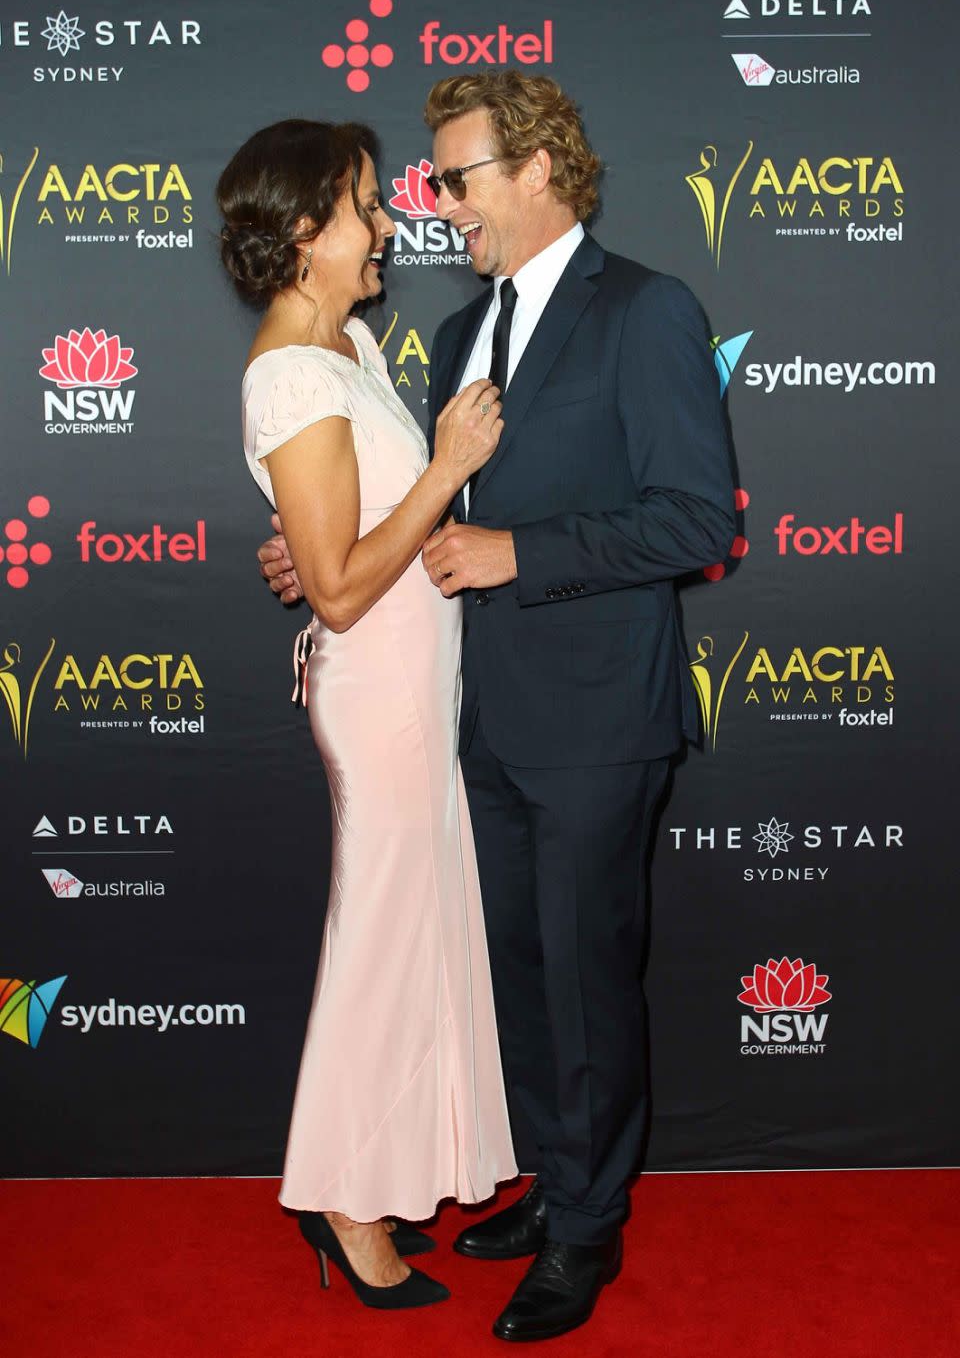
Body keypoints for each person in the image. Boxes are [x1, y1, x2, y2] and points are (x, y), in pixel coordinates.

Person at [259, 74, 736, 1342]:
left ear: (535, 171)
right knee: (520, 979)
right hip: (480, 717)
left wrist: (523, 552)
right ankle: (553, 1184)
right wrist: (323, 545)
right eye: (422, 184)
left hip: (594, 721)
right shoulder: (463, 335)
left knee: (585, 984)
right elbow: (429, 515)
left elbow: (696, 517)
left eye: (454, 179)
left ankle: (588, 1228)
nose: (435, 206)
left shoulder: (646, 309)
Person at [218, 118, 517, 1311]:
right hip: (379, 694)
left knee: (410, 943)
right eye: (364, 205)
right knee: (377, 952)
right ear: (305, 234)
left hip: (416, 688)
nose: (391, 221)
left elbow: (331, 542)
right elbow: (340, 589)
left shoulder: (345, 343)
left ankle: (383, 1177)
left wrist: (313, 539)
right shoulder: (290, 372)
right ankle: (341, 1201)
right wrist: (445, 471)